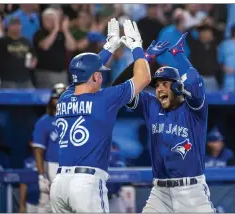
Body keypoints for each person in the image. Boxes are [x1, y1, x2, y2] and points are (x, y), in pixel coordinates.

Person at [49, 18, 151, 213]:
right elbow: (144, 78)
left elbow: (84, 75)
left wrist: (109, 47)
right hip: (86, 183)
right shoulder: (105, 98)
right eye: (100, 73)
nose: (102, 76)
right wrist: (137, 47)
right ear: (95, 76)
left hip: (60, 183)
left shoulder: (64, 97)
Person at [112, 33, 216, 212]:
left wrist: (178, 54)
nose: (159, 88)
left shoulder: (194, 109)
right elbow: (118, 89)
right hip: (159, 192)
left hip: (192, 192)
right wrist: (145, 57)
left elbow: (194, 81)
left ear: (177, 87)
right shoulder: (150, 104)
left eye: (165, 84)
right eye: (157, 85)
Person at [32, 83, 66, 213]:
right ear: (51, 100)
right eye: (57, 98)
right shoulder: (44, 122)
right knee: (46, 203)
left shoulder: (76, 119)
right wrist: (42, 176)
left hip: (73, 164)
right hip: (52, 166)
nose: (60, 100)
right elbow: (38, 151)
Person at [19, 140, 40, 213]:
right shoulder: (27, 162)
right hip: (31, 202)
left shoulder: (50, 160)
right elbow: (23, 184)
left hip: (47, 203)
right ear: (30, 144)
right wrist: (22, 205)